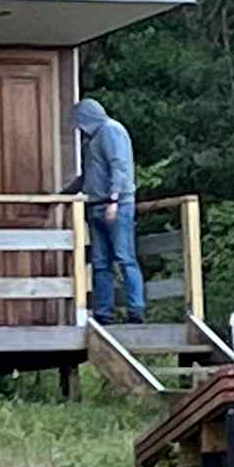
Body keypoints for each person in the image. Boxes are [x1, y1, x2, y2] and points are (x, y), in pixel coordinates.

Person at [70, 97, 143, 322]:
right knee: (101, 263)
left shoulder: (111, 131)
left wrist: (114, 200)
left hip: (116, 206)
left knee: (124, 257)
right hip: (95, 206)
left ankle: (136, 310)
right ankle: (103, 314)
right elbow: (89, 176)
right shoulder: (91, 140)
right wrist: (62, 194)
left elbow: (119, 166)